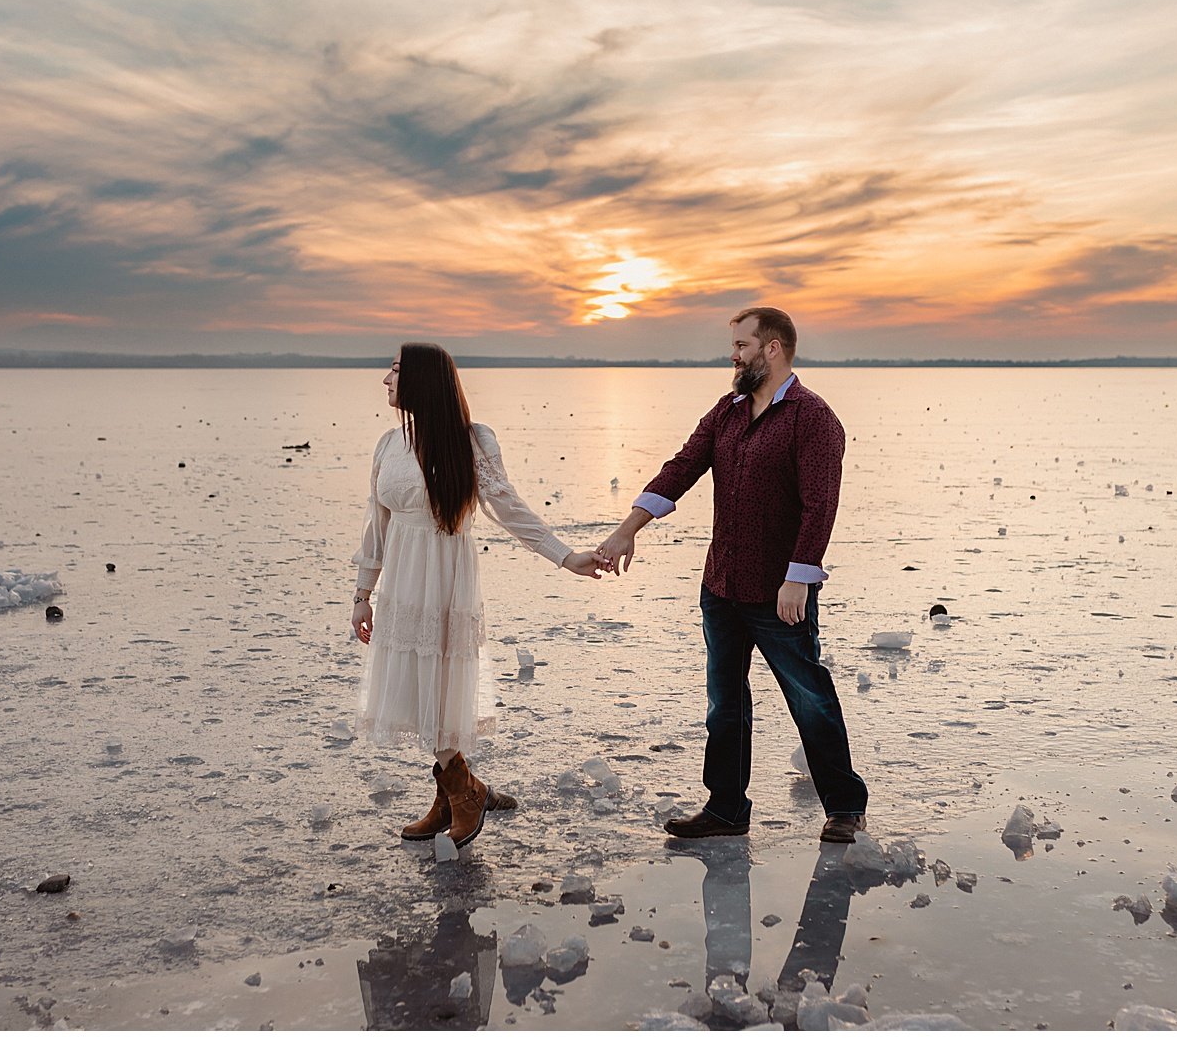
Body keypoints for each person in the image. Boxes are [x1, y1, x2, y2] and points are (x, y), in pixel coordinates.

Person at [595, 307, 869, 842]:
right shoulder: (727, 411)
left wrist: (799, 577)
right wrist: (629, 527)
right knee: (725, 701)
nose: (733, 354)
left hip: (780, 591)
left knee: (807, 696)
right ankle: (725, 809)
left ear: (772, 348)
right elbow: (681, 467)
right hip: (721, 585)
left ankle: (844, 806)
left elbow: (820, 505)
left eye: (742, 345)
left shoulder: (813, 418)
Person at [351, 342, 605, 849]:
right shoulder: (388, 444)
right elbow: (375, 525)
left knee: (440, 686)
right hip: (402, 579)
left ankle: (461, 794)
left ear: (422, 380)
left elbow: (510, 509)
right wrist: (363, 594)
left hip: (446, 575)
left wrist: (565, 555)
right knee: (416, 688)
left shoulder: (473, 441)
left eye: (396, 370)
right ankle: (459, 792)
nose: (385, 379)